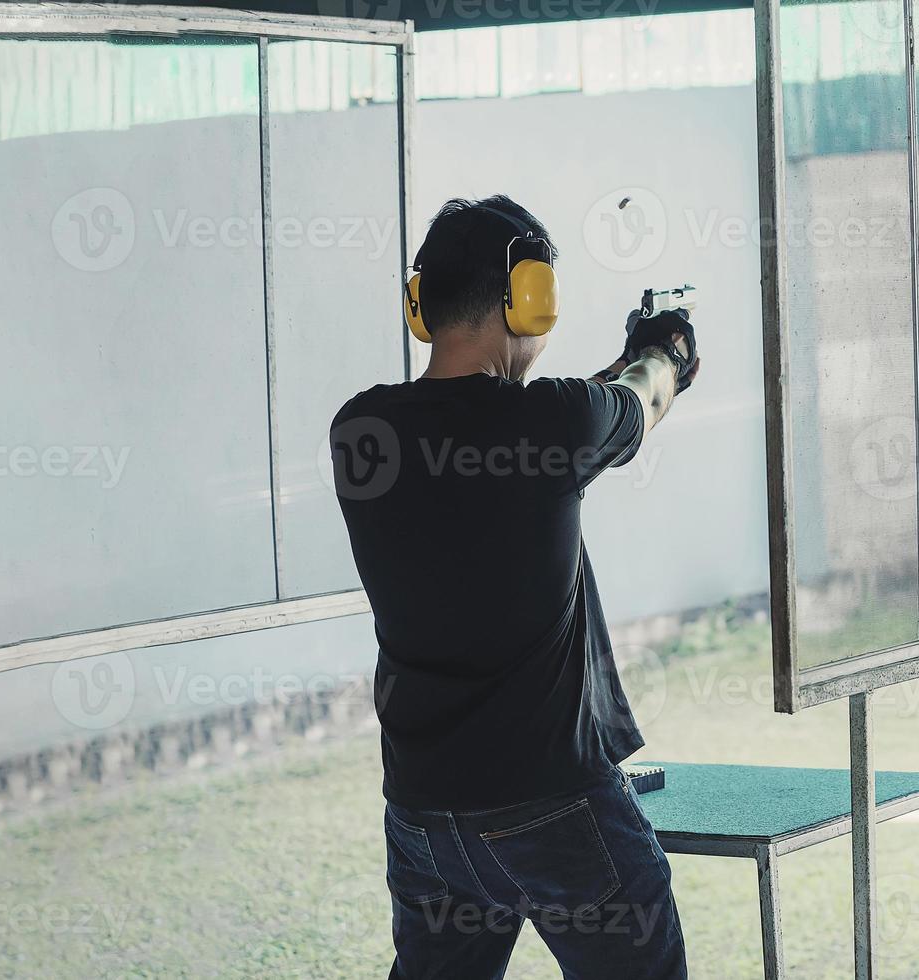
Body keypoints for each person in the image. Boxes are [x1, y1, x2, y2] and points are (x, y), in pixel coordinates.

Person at [329, 195, 698, 980]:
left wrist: (599, 384)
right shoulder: (557, 423)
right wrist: (664, 352)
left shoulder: (361, 432)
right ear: (526, 297)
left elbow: (512, 431)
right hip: (553, 806)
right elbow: (640, 398)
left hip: (425, 814)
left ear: (422, 305)